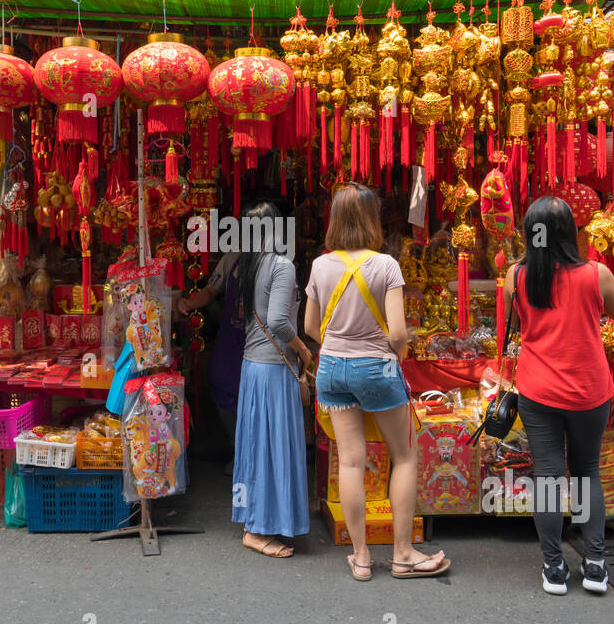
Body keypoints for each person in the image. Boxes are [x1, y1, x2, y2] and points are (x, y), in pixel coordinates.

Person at [303, 184, 449, 581]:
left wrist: (341, 345)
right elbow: (399, 334)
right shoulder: (386, 265)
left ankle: (362, 557)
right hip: (378, 367)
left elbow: (310, 327)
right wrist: (389, 352)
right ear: (371, 218)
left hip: (332, 367)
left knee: (350, 461)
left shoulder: (320, 266)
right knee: (402, 456)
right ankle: (403, 555)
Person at [503, 195, 614, 596]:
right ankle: (594, 564)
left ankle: (554, 566)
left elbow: (513, 319)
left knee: (547, 478)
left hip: (538, 389)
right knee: (587, 472)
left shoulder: (517, 276)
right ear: (571, 232)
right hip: (589, 390)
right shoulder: (597, 274)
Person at [232, 202, 312, 557]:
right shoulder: (281, 266)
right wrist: (303, 349)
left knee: (257, 447)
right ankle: (258, 529)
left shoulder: (248, 265)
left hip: (254, 368)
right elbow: (279, 321)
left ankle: (259, 521)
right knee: (272, 448)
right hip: (273, 370)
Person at [177, 250, 244, 473]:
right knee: (221, 381)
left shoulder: (275, 259)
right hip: (231, 338)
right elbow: (210, 290)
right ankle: (238, 449)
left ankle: (252, 456)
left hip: (260, 340)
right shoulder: (231, 259)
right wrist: (190, 303)